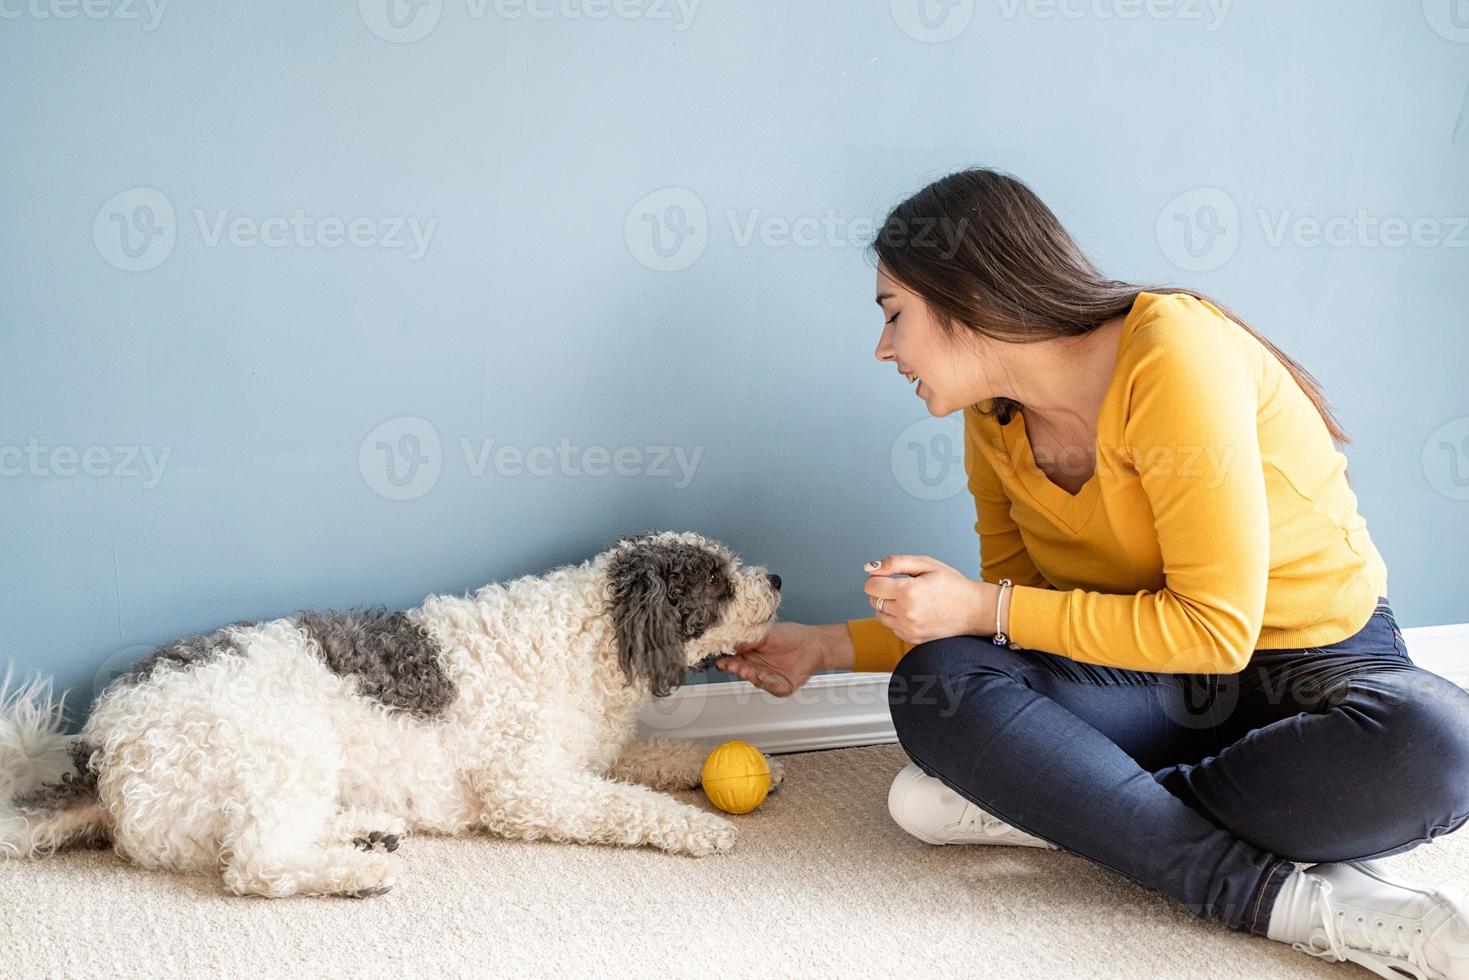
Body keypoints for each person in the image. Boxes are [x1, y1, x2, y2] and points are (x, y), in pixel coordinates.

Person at [716, 168, 1469, 977]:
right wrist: (827, 647)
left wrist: (988, 623)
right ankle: (1281, 898)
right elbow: (1012, 631)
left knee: (1436, 747)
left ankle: (1067, 808)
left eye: (893, 314)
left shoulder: (1174, 349)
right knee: (943, 680)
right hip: (1152, 685)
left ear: (965, 293)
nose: (884, 347)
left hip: (1318, 665)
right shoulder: (992, 420)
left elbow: (1214, 632)